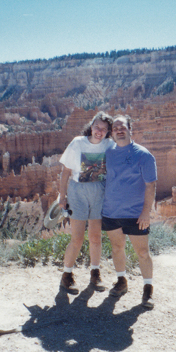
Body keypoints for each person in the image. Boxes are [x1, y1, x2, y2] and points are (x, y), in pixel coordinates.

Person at [101, 115, 157, 309]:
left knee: (142, 252)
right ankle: (121, 281)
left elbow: (151, 186)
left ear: (130, 129)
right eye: (115, 127)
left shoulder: (143, 155)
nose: (119, 130)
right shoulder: (107, 153)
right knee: (117, 248)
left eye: (122, 126)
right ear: (112, 132)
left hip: (135, 213)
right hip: (110, 211)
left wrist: (146, 213)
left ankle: (148, 288)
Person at [58, 111, 115, 295]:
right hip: (78, 193)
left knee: (96, 237)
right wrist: (62, 196)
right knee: (77, 238)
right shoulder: (77, 143)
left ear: (108, 132)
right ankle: (66, 275)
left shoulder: (109, 145)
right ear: (91, 126)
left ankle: (95, 273)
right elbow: (65, 172)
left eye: (104, 129)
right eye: (97, 127)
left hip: (99, 191)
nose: (99, 131)